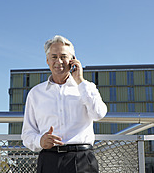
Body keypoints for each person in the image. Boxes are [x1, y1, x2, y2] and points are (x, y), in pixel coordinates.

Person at [21, 35, 107, 173]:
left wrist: (80, 81)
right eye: (54, 57)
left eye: (63, 56)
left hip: (82, 160)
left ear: (73, 60)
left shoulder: (87, 87)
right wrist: (39, 141)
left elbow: (99, 114)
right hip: (49, 160)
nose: (59, 61)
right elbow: (27, 134)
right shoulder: (35, 93)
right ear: (47, 61)